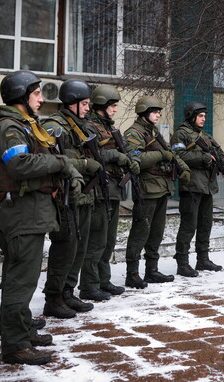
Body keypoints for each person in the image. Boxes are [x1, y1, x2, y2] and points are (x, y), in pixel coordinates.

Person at [0, 70, 82, 364]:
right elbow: (18, 164)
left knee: (22, 278)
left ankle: (21, 329)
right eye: (37, 93)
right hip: (22, 214)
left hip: (29, 213)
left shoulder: (21, 124)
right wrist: (61, 162)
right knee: (20, 281)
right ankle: (15, 345)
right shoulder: (9, 127)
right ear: (20, 96)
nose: (42, 98)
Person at [42, 80, 100, 316]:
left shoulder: (82, 125)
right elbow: (50, 158)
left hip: (83, 194)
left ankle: (67, 292)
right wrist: (85, 164)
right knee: (64, 248)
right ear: (72, 103)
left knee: (79, 248)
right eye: (84, 103)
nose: (88, 108)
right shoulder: (54, 125)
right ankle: (53, 297)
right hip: (64, 196)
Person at [124, 96, 191, 287]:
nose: (158, 114)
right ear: (144, 112)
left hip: (161, 188)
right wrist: (161, 154)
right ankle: (132, 273)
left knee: (156, 233)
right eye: (154, 111)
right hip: (146, 189)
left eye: (159, 112)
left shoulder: (153, 132)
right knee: (140, 231)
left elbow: (171, 153)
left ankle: (151, 270)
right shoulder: (134, 133)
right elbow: (136, 159)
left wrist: (183, 167)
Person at [82, 85, 135, 297]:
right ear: (102, 106)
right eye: (113, 106)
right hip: (99, 189)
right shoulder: (89, 126)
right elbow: (91, 154)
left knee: (109, 240)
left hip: (112, 189)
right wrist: (116, 155)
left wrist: (131, 159)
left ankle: (104, 280)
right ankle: (89, 285)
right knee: (97, 240)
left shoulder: (110, 128)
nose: (115, 110)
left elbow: (125, 150)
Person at [170, 101, 224, 276]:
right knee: (189, 226)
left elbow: (220, 154)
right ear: (191, 116)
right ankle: (182, 262)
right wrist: (204, 158)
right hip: (191, 186)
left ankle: (202, 259)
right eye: (201, 116)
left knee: (205, 225)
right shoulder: (180, 134)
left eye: (205, 116)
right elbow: (178, 155)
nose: (204, 119)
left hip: (207, 187)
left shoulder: (205, 136)